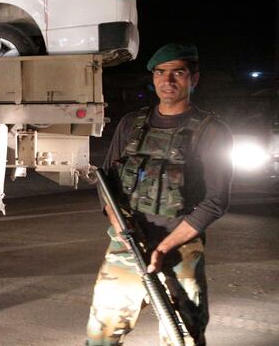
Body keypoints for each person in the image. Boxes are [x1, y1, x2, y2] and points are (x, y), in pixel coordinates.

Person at [85, 43, 233, 345]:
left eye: (178, 73)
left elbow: (216, 200)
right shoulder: (131, 124)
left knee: (183, 337)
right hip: (126, 246)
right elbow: (107, 184)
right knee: (101, 337)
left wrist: (164, 247)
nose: (168, 81)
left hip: (180, 249)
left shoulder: (211, 131)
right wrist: (121, 229)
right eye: (160, 73)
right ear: (153, 79)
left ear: (194, 78)